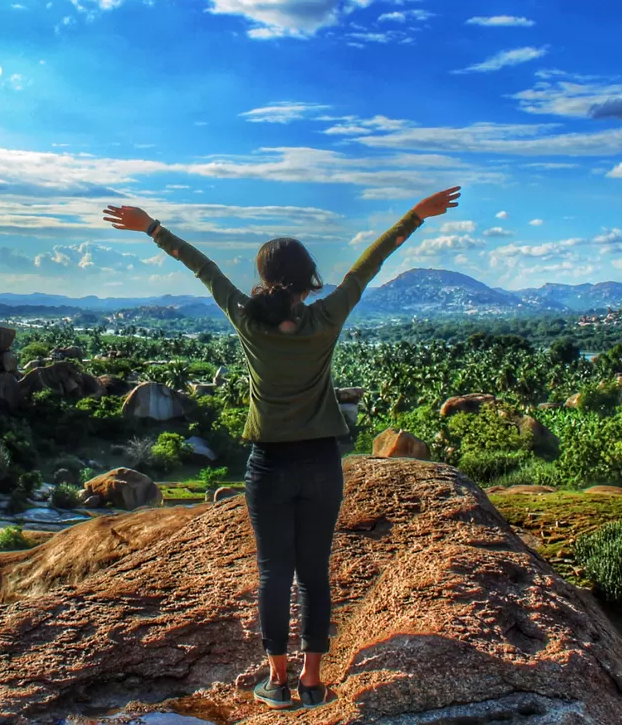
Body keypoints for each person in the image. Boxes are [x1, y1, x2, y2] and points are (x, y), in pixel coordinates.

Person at [103, 185, 461, 710]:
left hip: (268, 466)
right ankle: (313, 682)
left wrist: (152, 227)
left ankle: (277, 680)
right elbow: (368, 266)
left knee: (274, 571)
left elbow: (203, 268)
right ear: (308, 279)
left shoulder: (248, 320)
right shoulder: (325, 318)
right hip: (321, 462)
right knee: (315, 570)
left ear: (266, 279)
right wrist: (414, 216)